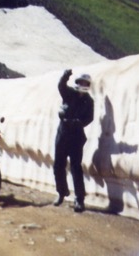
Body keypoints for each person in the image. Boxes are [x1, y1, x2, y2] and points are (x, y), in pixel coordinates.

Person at [53, 68, 94, 212]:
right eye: (81, 81)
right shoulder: (69, 93)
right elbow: (61, 86)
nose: (83, 84)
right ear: (77, 82)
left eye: (85, 82)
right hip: (63, 133)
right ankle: (61, 192)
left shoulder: (89, 101)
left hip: (76, 137)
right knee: (58, 164)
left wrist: (79, 123)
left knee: (76, 167)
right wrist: (65, 76)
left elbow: (90, 117)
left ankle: (79, 199)